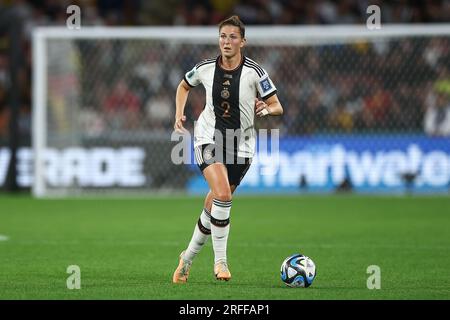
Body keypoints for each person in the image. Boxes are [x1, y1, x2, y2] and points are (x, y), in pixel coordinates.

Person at [172, 15, 283, 283]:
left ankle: (186, 259)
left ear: (242, 42)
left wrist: (266, 108)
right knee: (222, 194)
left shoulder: (255, 72)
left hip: (242, 146)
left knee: (214, 203)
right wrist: (178, 114)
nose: (227, 42)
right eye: (223, 36)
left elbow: (278, 105)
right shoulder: (206, 68)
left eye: (233, 37)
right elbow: (184, 86)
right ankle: (220, 263)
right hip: (208, 138)